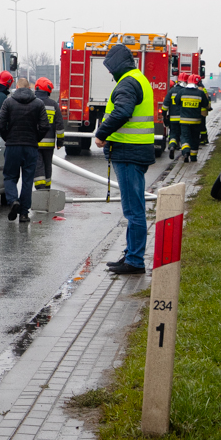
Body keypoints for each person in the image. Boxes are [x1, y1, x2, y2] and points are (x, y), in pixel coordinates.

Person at [94, 44, 155, 275]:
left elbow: (122, 111)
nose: (110, 73)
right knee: (133, 208)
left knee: (134, 210)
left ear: (118, 65)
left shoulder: (128, 83)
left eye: (110, 68)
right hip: (134, 152)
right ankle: (131, 255)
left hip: (129, 153)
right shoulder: (137, 78)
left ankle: (135, 261)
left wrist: (101, 134)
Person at [0, 77, 50, 223]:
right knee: (27, 180)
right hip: (30, 147)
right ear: (30, 88)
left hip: (13, 146)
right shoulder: (38, 103)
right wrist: (36, 139)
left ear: (18, 86)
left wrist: (7, 137)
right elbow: (45, 125)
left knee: (9, 176)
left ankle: (13, 200)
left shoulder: (9, 102)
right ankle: (24, 214)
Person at [33, 77, 64, 190]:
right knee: (47, 165)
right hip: (49, 144)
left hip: (35, 142)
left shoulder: (32, 103)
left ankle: (40, 188)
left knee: (38, 165)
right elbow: (59, 125)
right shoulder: (53, 105)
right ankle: (47, 187)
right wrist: (60, 141)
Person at [178, 74, 207, 162]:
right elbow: (205, 104)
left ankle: (186, 152)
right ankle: (193, 157)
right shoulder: (200, 93)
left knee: (185, 137)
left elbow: (176, 101)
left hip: (184, 121)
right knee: (195, 138)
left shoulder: (182, 92)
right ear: (197, 83)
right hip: (196, 121)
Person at [160, 74, 185, 159]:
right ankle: (185, 154)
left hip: (173, 118)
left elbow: (164, 106)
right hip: (183, 119)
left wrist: (164, 116)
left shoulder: (171, 91)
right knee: (183, 136)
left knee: (173, 134)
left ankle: (172, 147)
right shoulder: (185, 91)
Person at [199, 80, 213, 145]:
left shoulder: (199, 89)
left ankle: (202, 139)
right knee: (203, 126)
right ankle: (204, 139)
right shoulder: (204, 89)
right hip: (204, 111)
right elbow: (208, 98)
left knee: (201, 126)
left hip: (200, 111)